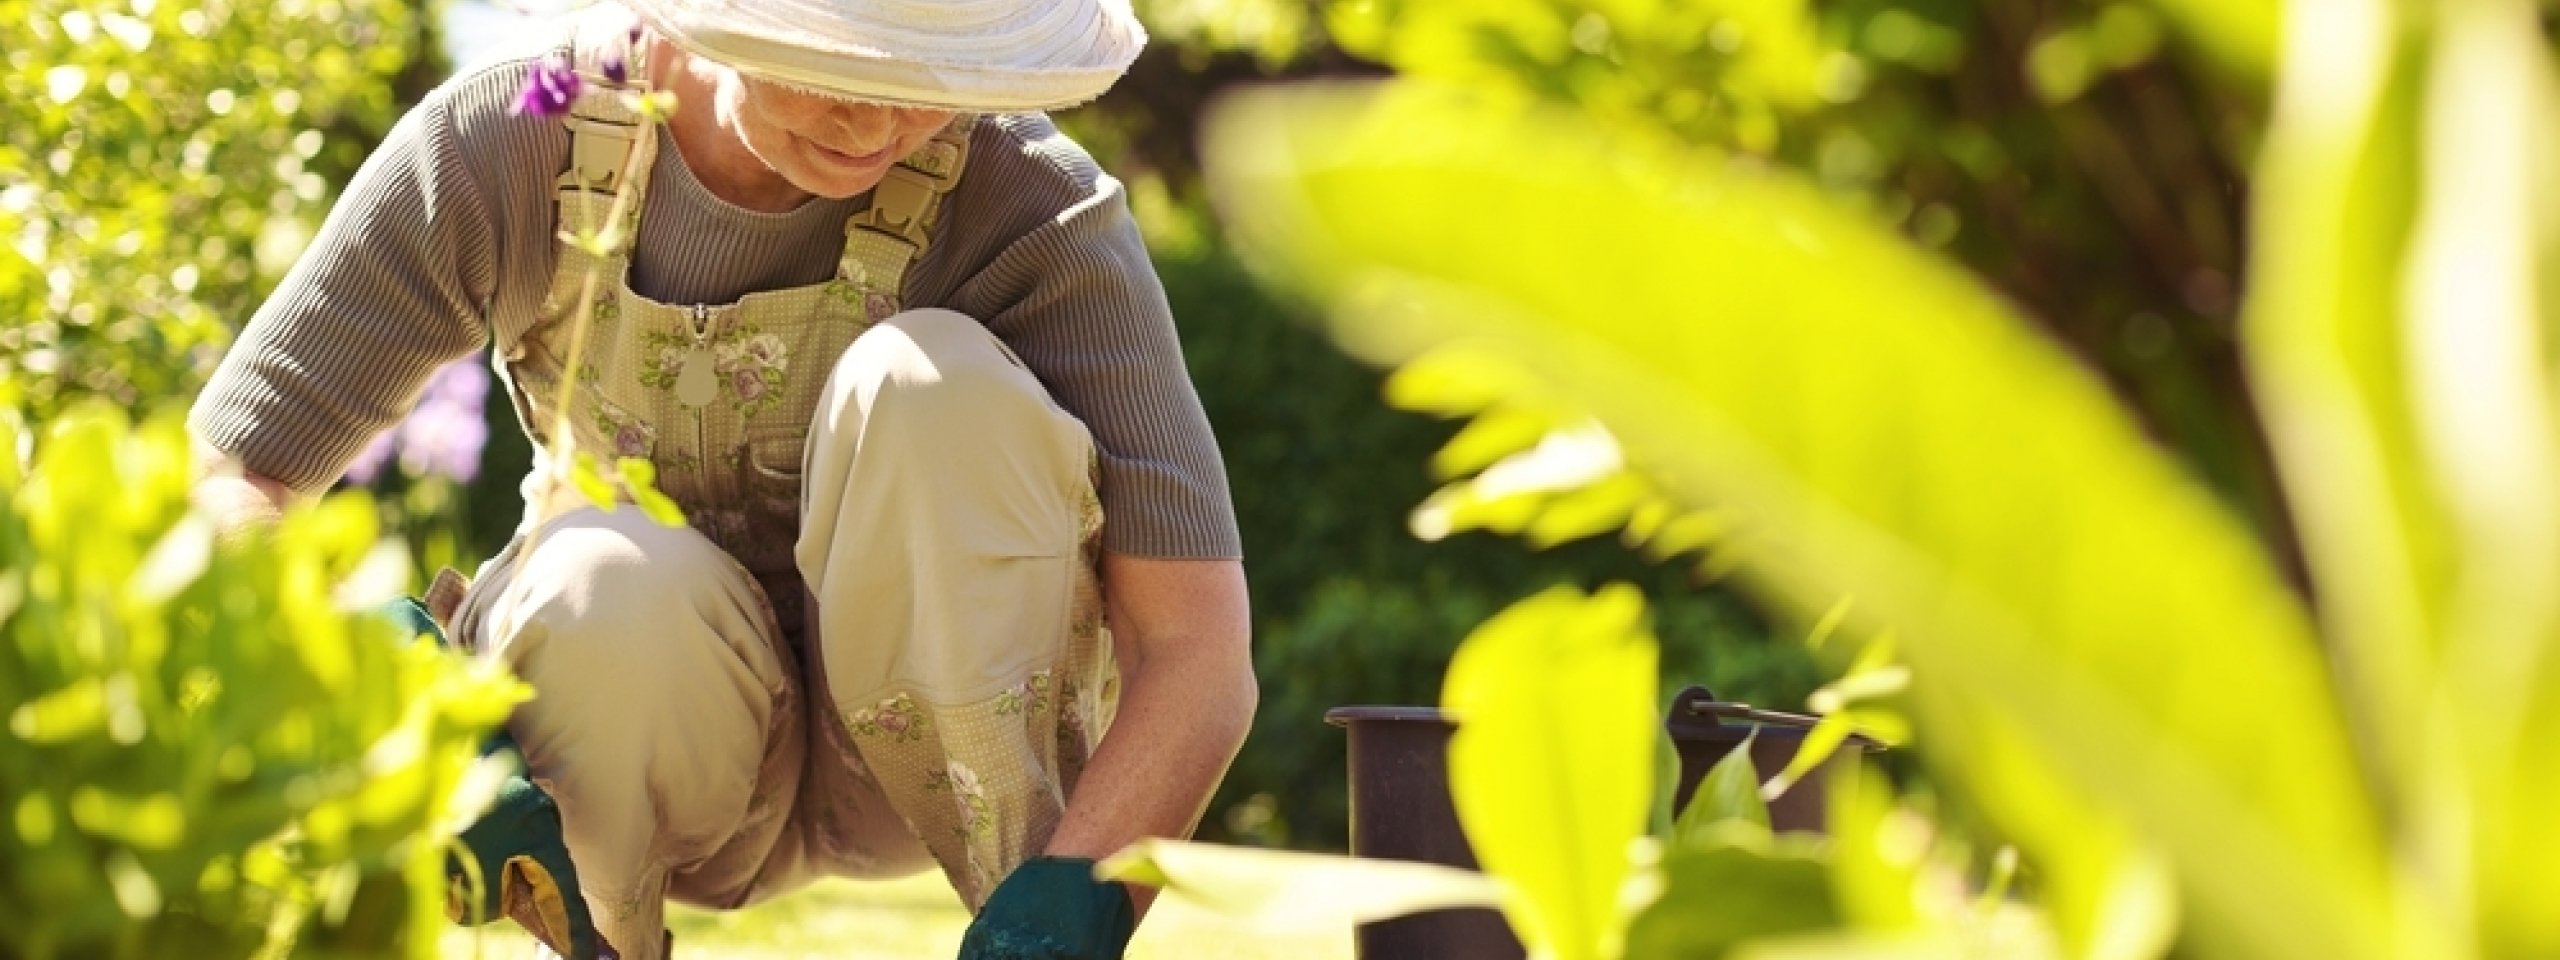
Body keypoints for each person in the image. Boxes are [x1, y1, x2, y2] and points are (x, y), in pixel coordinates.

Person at [186, 0, 1256, 956]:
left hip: (935, 762)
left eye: (925, 82)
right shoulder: (513, 139)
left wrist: (1081, 897)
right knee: (601, 570)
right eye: (838, 67)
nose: (879, 127)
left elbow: (1196, 647)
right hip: (622, 745)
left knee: (929, 386)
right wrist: (375, 690)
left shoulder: (1028, 200)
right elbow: (240, 472)